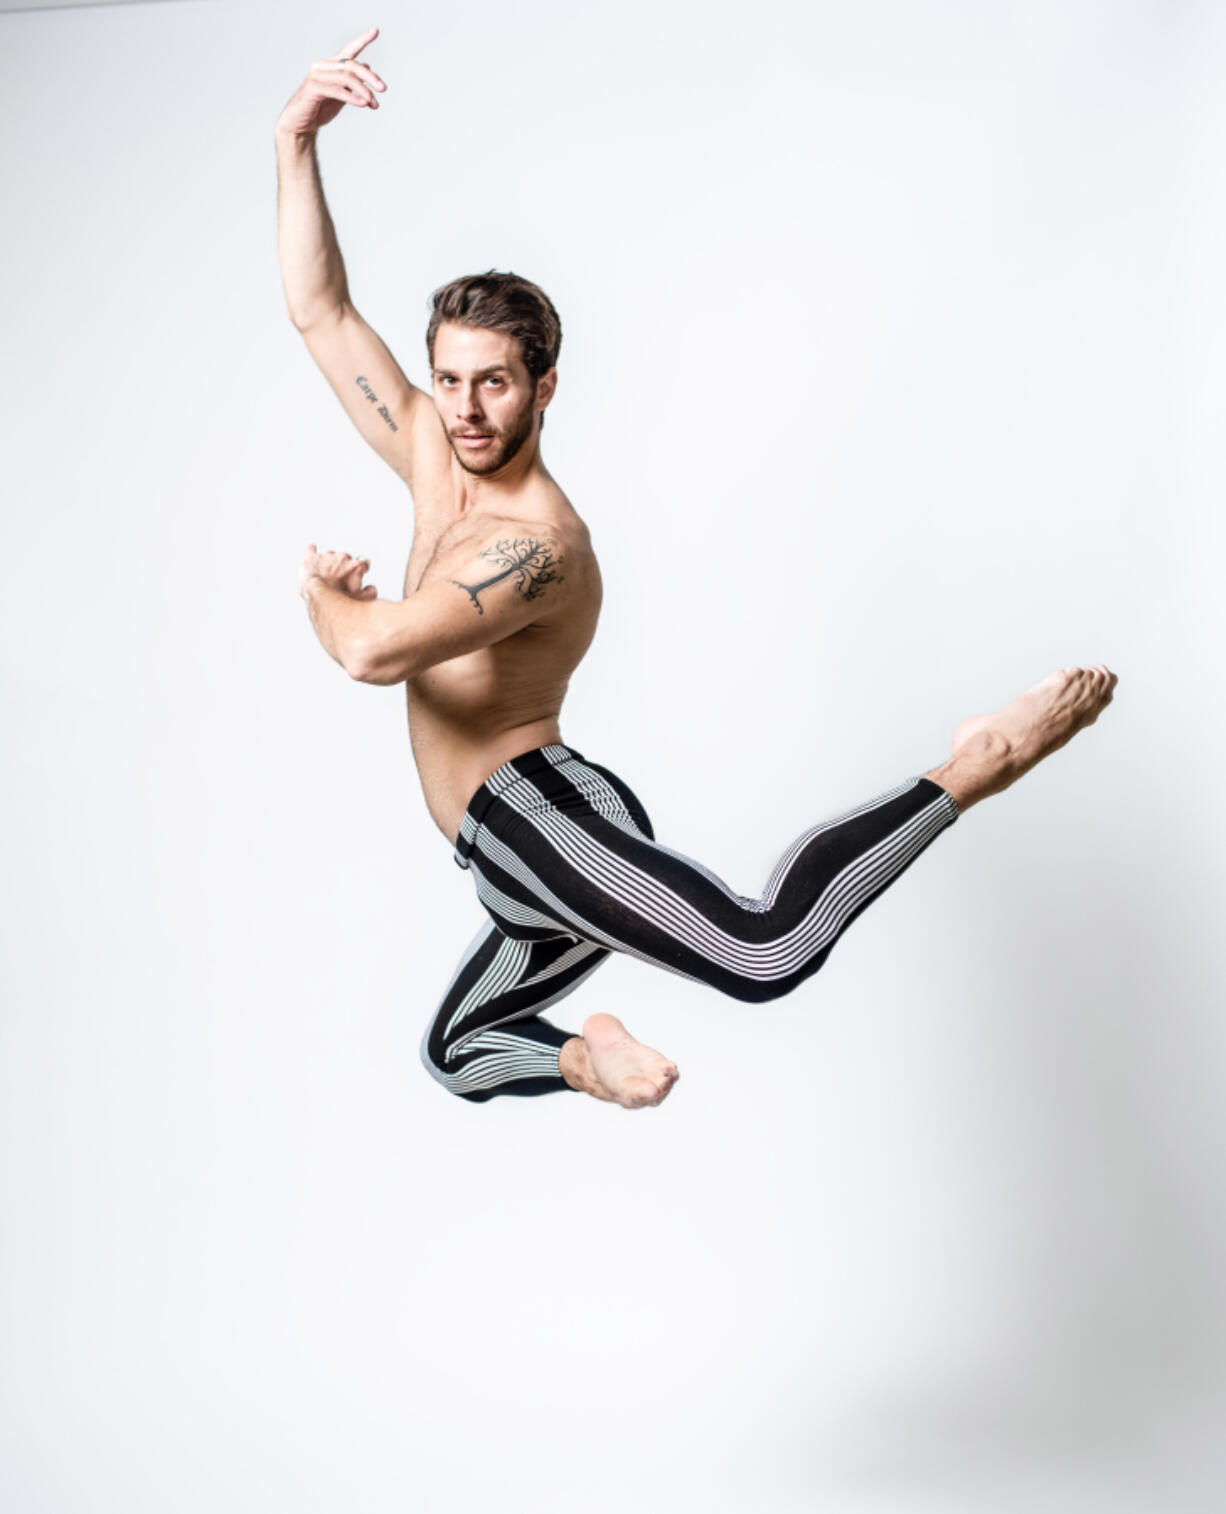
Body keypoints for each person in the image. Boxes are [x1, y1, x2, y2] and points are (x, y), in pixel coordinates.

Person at [276, 28, 1118, 1110]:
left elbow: (372, 651)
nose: (464, 410)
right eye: (447, 381)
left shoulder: (534, 547)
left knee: (763, 952)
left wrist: (323, 596)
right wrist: (294, 137)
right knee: (459, 1049)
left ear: (544, 388)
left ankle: (973, 762)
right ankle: (587, 1053)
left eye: (492, 384)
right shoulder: (434, 458)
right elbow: (320, 312)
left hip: (534, 812)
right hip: (504, 851)